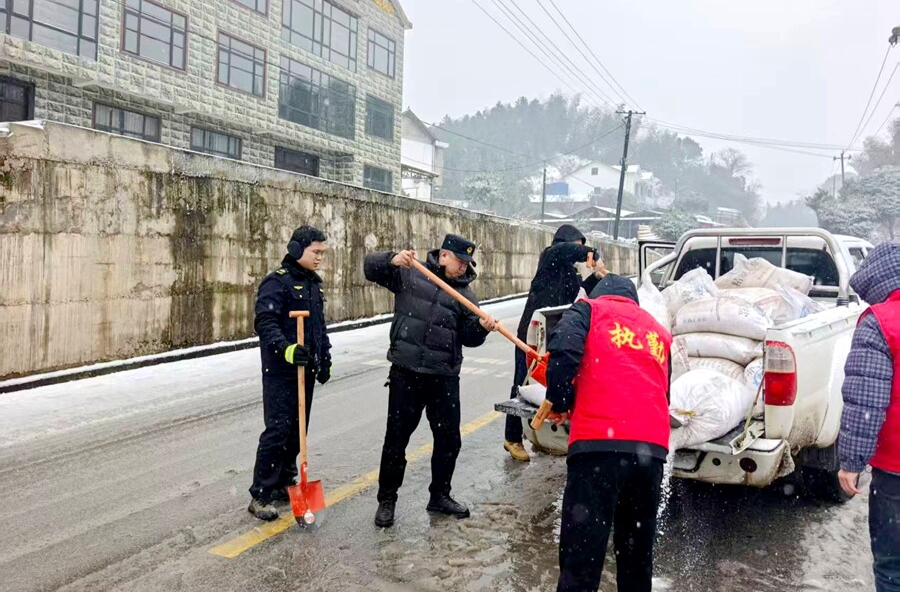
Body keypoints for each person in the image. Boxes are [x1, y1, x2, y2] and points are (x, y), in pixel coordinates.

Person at [544, 274, 672, 592]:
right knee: (635, 555)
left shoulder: (589, 310)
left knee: (582, 558)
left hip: (599, 447)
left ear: (598, 295)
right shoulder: (657, 330)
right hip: (650, 452)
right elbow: (662, 388)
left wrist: (560, 400)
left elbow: (562, 351)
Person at [364, 234, 499, 528]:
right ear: (444, 255)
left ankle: (440, 495)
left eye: (467, 263)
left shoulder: (466, 295)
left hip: (444, 376)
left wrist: (482, 328)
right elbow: (369, 268)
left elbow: (468, 338)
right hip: (406, 372)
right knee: (396, 440)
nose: (463, 268)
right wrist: (391, 258)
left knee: (449, 440)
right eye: (459, 261)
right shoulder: (411, 274)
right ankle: (387, 500)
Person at [248, 225, 332, 521]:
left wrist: (325, 358)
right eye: (316, 252)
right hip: (281, 372)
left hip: (305, 371)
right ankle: (261, 493)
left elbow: (319, 328)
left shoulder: (313, 284)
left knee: (298, 433)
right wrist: (286, 350)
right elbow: (265, 324)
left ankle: (285, 481)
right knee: (278, 431)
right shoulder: (276, 283)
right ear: (297, 250)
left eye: (323, 252)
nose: (320, 257)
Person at [505, 224, 607, 462]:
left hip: (552, 333)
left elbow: (578, 294)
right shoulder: (550, 257)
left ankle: (544, 431)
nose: (581, 252)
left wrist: (595, 279)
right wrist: (593, 254)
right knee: (521, 382)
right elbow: (565, 251)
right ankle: (512, 438)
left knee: (548, 381)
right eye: (578, 246)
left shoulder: (570, 272)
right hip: (532, 332)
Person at [838, 241, 900, 592]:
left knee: (894, 568)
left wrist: (851, 462)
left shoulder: (880, 322)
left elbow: (867, 400)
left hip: (895, 472)